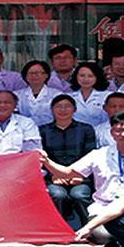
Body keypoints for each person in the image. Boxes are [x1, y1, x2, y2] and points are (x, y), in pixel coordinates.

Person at [42, 111, 124, 237]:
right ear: (111, 132)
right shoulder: (98, 154)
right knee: (101, 236)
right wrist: (46, 161)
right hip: (104, 206)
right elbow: (67, 173)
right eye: (119, 130)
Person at [38, 94, 98, 227]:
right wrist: (53, 175)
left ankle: (90, 229)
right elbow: (41, 158)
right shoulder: (42, 130)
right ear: (52, 110)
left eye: (67, 106)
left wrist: (79, 175)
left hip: (81, 177)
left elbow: (90, 155)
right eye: (58, 106)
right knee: (57, 194)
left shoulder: (86, 129)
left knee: (79, 195)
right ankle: (58, 229)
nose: (63, 110)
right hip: (53, 177)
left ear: (74, 109)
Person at [17, 60, 58, 126]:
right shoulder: (16, 95)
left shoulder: (57, 94)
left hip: (50, 130)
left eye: (38, 73)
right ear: (25, 76)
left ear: (46, 75)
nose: (34, 76)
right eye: (31, 73)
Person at [71, 61, 113, 126]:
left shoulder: (108, 96)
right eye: (82, 76)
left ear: (97, 77)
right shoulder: (68, 96)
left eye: (90, 76)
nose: (86, 79)